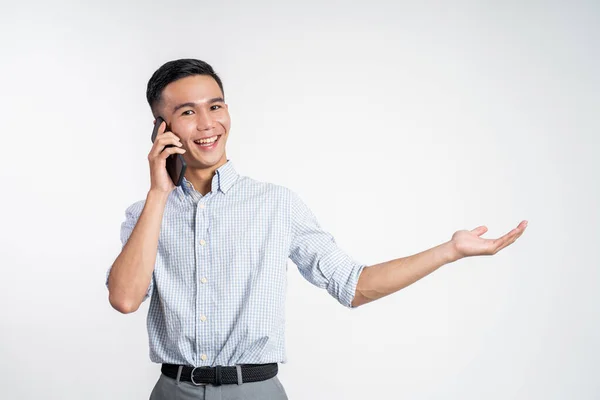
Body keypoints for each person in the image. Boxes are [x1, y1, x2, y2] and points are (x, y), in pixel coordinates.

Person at [105, 58, 528, 400]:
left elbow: (354, 285)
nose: (207, 123)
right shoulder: (145, 214)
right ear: (163, 130)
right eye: (187, 112)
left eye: (215, 106)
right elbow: (124, 299)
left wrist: (449, 250)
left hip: (256, 392)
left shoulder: (276, 204)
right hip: (172, 391)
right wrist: (159, 193)